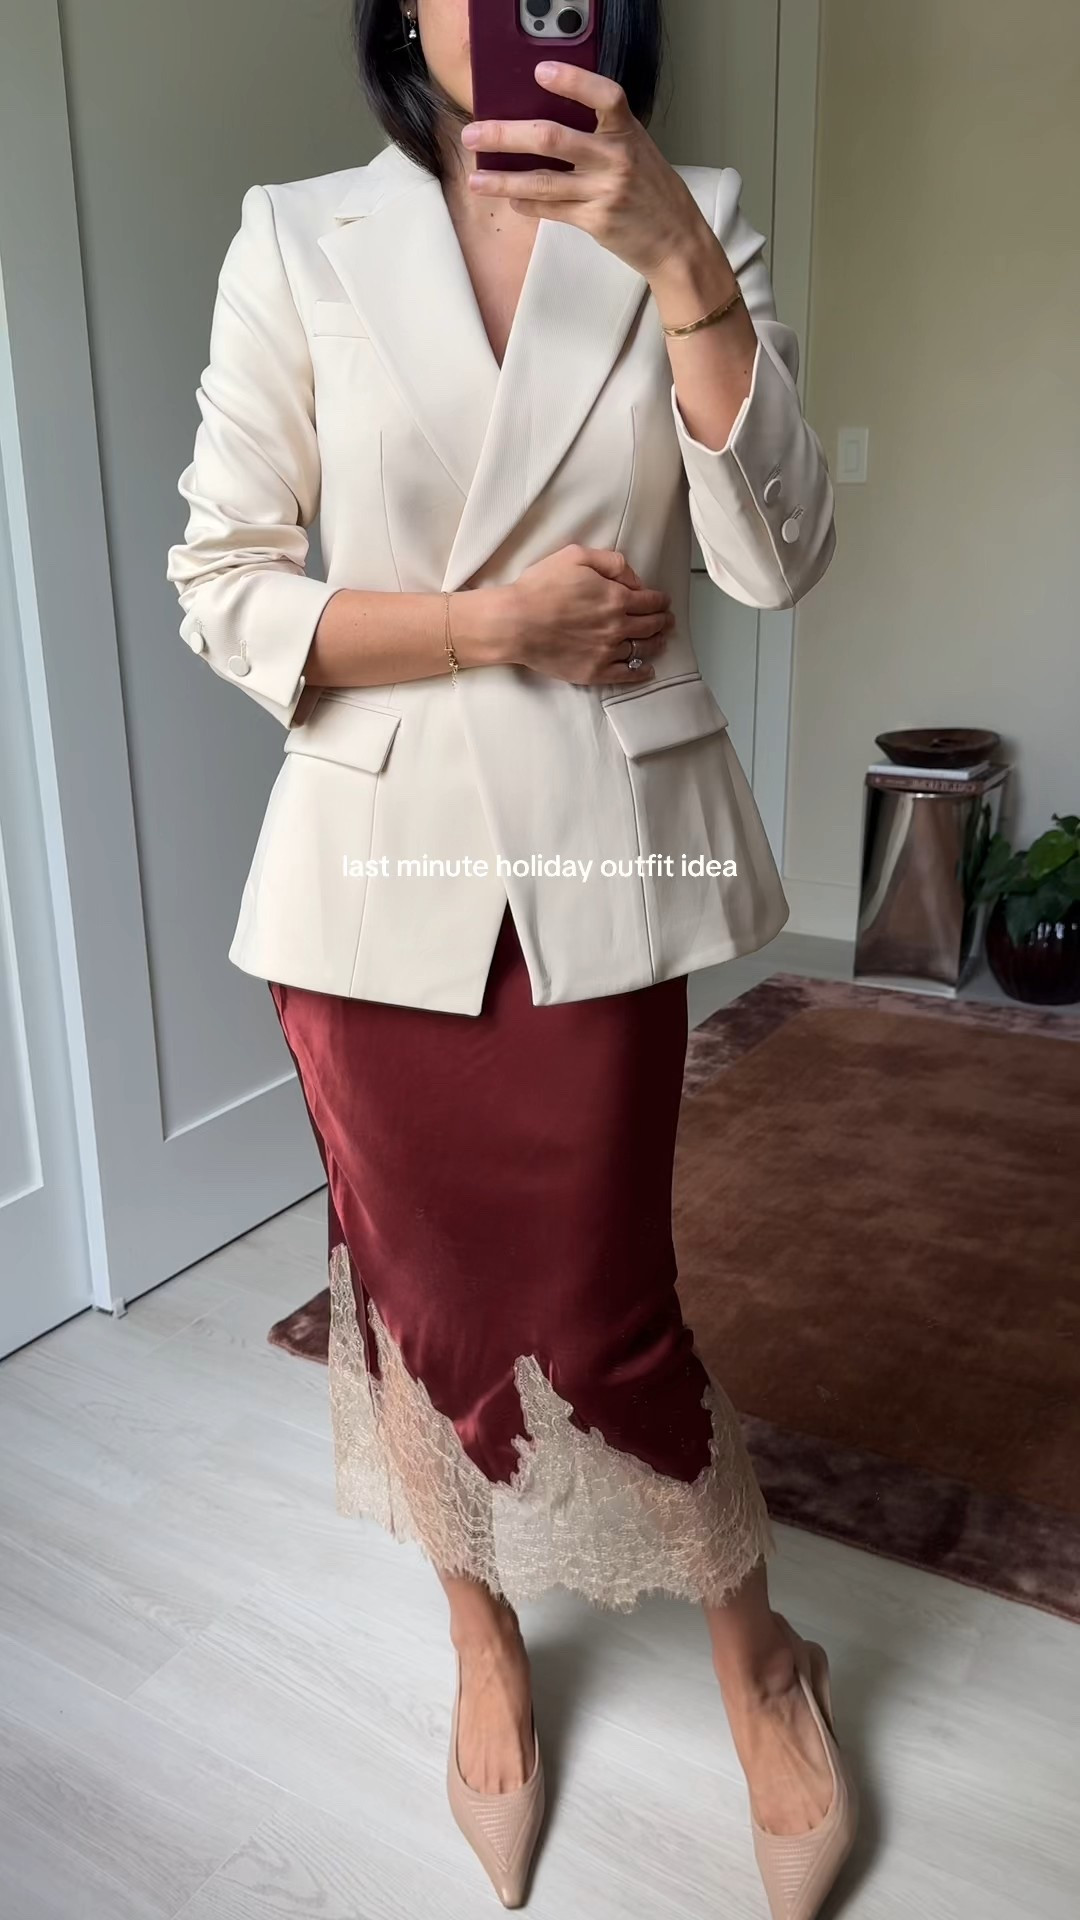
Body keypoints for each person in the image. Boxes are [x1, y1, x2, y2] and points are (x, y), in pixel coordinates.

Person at [166, 3, 856, 1912]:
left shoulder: (694, 214)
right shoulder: (299, 233)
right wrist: (494, 626)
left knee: (612, 1308)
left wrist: (681, 262)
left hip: (594, 855)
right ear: (407, 12)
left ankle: (760, 1657)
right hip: (367, 870)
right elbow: (224, 585)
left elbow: (778, 560)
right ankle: (478, 1643)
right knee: (410, 1297)